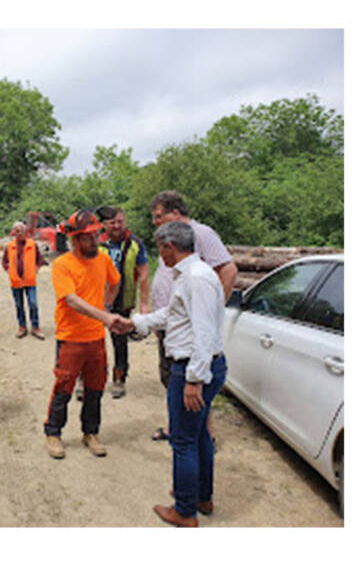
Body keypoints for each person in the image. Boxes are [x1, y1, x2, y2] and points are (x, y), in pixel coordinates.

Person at [114, 221, 227, 527]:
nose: (159, 256)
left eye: (159, 248)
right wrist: (136, 322)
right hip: (198, 365)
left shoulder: (196, 278)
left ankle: (185, 510)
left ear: (169, 246)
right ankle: (201, 496)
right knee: (199, 433)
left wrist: (193, 379)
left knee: (184, 440)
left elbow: (203, 331)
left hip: (192, 366)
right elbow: (174, 316)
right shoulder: (191, 275)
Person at [148, 191, 237, 443]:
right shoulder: (172, 236)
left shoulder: (201, 234)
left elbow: (228, 270)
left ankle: (201, 434)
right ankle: (179, 425)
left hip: (188, 328)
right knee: (171, 380)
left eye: (158, 216)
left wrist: (211, 311)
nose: (155, 221)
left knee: (191, 385)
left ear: (175, 213)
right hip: (171, 321)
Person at [43, 209, 121, 459]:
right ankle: (53, 433)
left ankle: (91, 432)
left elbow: (115, 281)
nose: (95, 241)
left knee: (95, 388)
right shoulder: (62, 265)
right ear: (75, 239)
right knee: (64, 387)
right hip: (71, 337)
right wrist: (105, 316)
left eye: (96, 235)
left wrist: (107, 305)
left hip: (96, 338)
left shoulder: (103, 259)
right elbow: (72, 300)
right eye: (88, 237)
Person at [97, 206, 150, 398]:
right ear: (104, 224)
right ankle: (86, 378)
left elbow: (144, 273)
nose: (117, 226)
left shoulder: (135, 244)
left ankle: (119, 379)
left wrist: (144, 303)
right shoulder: (96, 242)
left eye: (121, 221)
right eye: (112, 222)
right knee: (90, 341)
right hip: (95, 301)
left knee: (120, 342)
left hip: (123, 301)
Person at [0, 221, 46, 339]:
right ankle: (22, 327)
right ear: (13, 232)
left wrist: (36, 269)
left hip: (30, 280)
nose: (19, 233)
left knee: (33, 304)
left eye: (21, 230)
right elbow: (4, 261)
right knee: (19, 305)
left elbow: (40, 260)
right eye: (17, 230)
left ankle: (35, 327)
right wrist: (8, 271)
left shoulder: (32, 244)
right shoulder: (9, 246)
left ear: (25, 232)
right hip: (16, 281)